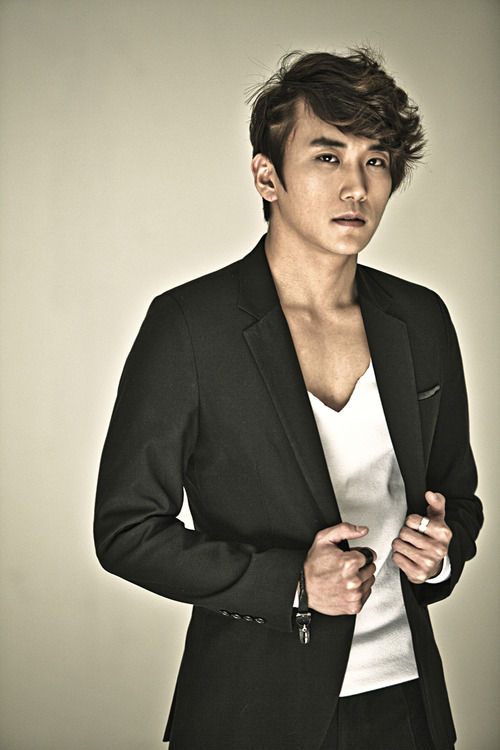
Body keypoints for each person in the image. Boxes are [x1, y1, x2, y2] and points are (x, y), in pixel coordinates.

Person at [94, 49, 483, 750]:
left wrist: (442, 553)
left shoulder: (421, 320)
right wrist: (292, 585)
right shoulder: (190, 326)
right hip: (250, 711)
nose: (357, 186)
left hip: (407, 706)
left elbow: (458, 497)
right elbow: (126, 530)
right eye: (328, 157)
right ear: (266, 176)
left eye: (376, 160)